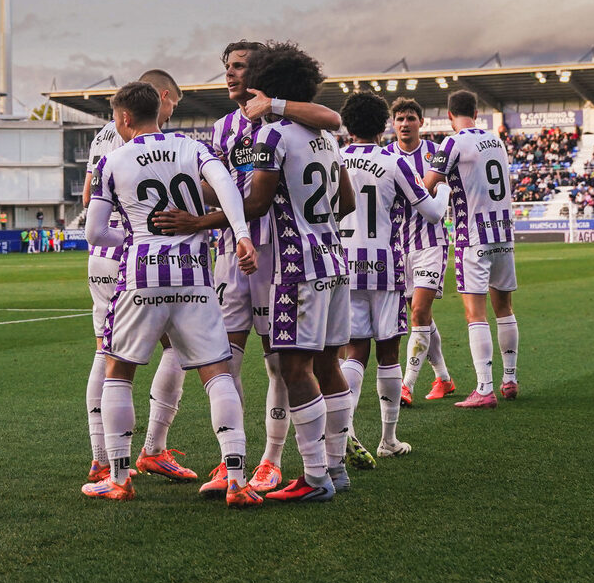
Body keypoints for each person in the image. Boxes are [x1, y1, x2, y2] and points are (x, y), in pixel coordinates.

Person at [155, 40, 344, 493]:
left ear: (261, 75)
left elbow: (258, 202)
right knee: (227, 359)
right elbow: (214, 186)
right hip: (240, 257)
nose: (232, 74)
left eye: (241, 66)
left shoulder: (278, 128)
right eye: (228, 67)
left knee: (286, 365)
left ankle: (279, 461)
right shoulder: (225, 129)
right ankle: (234, 461)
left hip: (282, 257)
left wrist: (198, 220)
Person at [81, 81, 261, 507]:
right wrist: (241, 234)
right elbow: (227, 187)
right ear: (158, 110)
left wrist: (134, 239)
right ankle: (236, 478)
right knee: (217, 374)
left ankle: (120, 477)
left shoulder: (113, 159)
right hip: (194, 276)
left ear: (124, 118)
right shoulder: (190, 146)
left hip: (141, 275)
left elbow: (93, 231)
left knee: (118, 371)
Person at [241, 42, 355, 501]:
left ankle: (313, 478)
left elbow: (257, 203)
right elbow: (346, 202)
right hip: (334, 262)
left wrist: (204, 207)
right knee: (329, 365)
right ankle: (336, 468)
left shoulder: (272, 136)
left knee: (294, 369)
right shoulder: (325, 139)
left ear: (264, 88)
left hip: (296, 267)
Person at [79, 69, 195, 485]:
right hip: (137, 254)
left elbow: (88, 197)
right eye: (174, 103)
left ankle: (101, 458)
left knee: (106, 352)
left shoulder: (101, 137)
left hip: (103, 257)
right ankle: (152, 450)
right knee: (178, 346)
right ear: (161, 96)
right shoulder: (146, 139)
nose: (172, 111)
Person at [339, 92, 446, 458]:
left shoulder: (334, 159)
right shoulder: (393, 162)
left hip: (344, 265)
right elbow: (432, 213)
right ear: (384, 124)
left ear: (348, 125)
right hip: (385, 266)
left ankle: (344, 431)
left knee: (353, 350)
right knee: (387, 352)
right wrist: (444, 190)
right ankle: (388, 440)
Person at [422, 90, 520, 409]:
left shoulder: (452, 143)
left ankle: (484, 388)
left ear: (449, 115)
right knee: (504, 307)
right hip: (503, 231)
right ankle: (510, 379)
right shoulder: (496, 140)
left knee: (474, 313)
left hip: (473, 235)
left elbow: (428, 184)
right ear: (476, 112)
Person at [385, 97, 457, 404]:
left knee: (419, 312)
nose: (404, 124)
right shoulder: (385, 155)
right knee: (420, 315)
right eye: (399, 118)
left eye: (410, 118)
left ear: (421, 122)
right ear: (393, 123)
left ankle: (407, 385)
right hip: (398, 245)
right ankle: (444, 378)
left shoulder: (435, 153)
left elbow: (438, 189)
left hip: (431, 241)